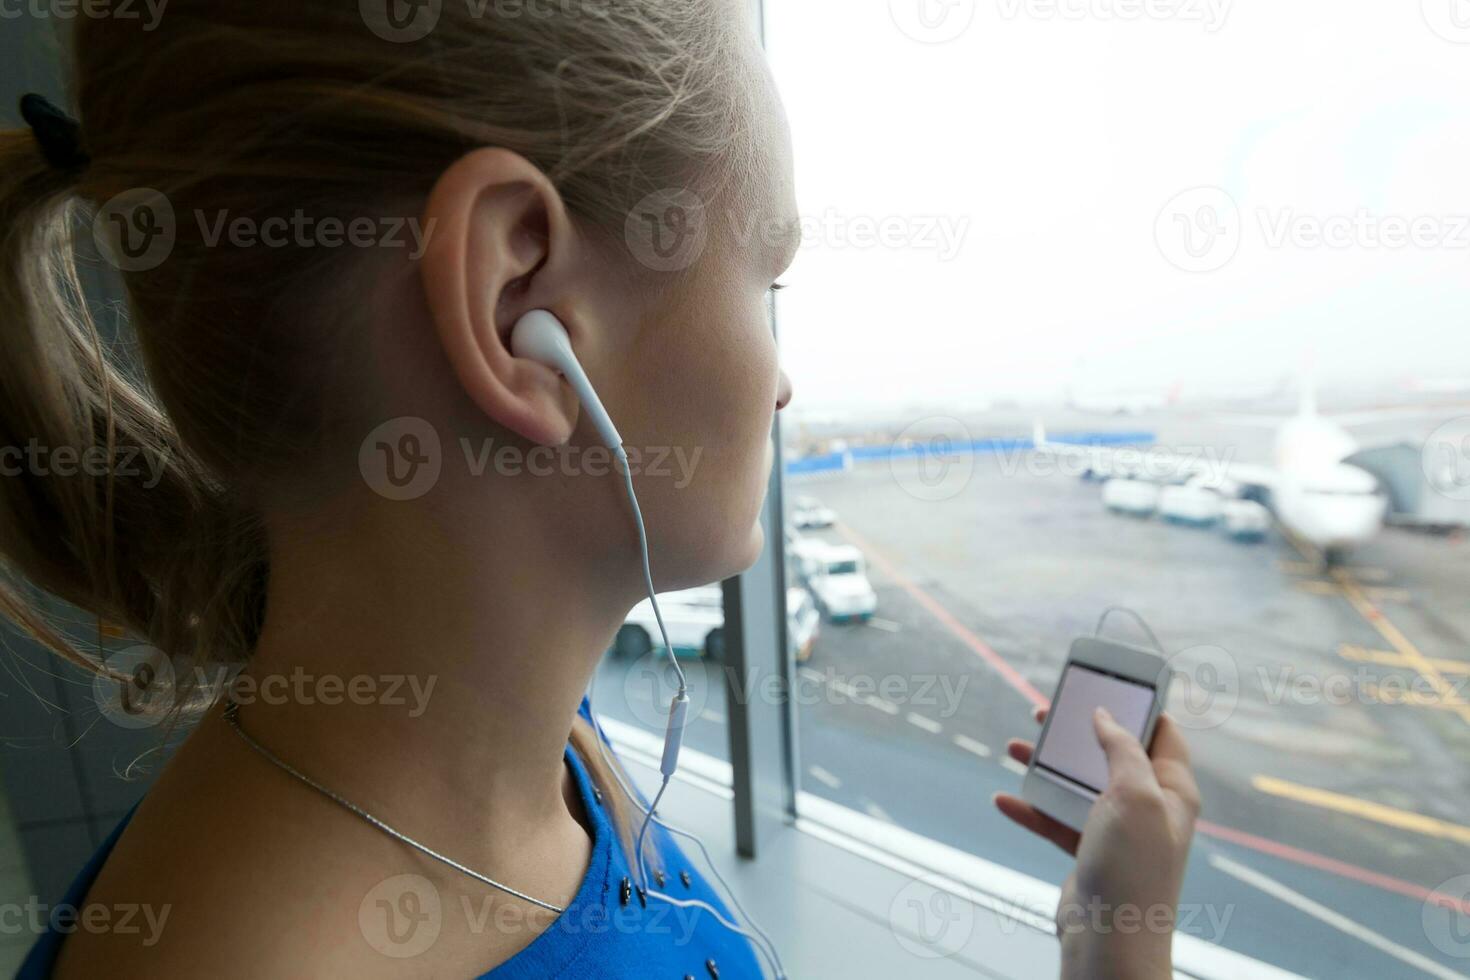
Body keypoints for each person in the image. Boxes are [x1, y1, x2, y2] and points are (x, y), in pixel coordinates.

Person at [1, 1, 1199, 976]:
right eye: (765, 278)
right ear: (517, 301)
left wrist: (1106, 931)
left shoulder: (543, 757)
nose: (783, 383)